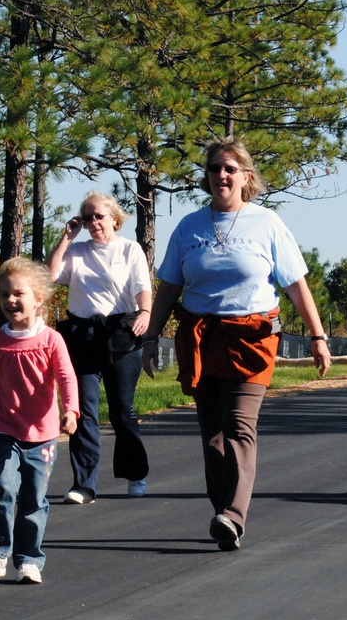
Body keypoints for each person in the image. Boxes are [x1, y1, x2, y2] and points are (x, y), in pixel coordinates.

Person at [141, 136, 331, 551]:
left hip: (252, 338)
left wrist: (318, 336)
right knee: (212, 433)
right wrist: (151, 337)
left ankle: (232, 515)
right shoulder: (189, 227)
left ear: (246, 177)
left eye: (230, 169)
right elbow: (169, 287)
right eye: (214, 169)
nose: (221, 175)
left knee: (240, 427)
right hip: (201, 337)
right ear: (206, 177)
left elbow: (297, 285)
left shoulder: (268, 223)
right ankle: (222, 508)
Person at [0, 258, 79, 583]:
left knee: (34, 498)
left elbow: (66, 377)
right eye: (4, 294)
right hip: (5, 428)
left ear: (38, 299)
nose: (10, 300)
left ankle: (29, 559)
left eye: (18, 293)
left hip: (42, 435)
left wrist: (71, 410)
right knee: (2, 487)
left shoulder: (51, 340)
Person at [48, 192, 153, 504]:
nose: (94, 222)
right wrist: (67, 237)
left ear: (114, 220)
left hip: (120, 333)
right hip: (82, 336)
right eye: (88, 217)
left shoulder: (128, 250)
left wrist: (145, 313)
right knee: (82, 410)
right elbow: (49, 276)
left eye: (99, 216)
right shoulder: (77, 251)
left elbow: (143, 288)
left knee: (122, 412)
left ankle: (135, 473)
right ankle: (84, 484)